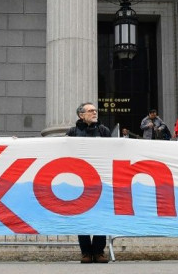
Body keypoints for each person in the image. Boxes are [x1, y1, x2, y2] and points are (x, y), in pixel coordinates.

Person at [66, 102, 111, 263]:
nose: (94, 113)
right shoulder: (72, 132)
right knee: (81, 216)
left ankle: (99, 252)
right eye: (90, 111)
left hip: (100, 180)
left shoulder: (103, 131)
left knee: (101, 216)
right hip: (78, 181)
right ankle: (85, 252)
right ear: (81, 115)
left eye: (95, 110)